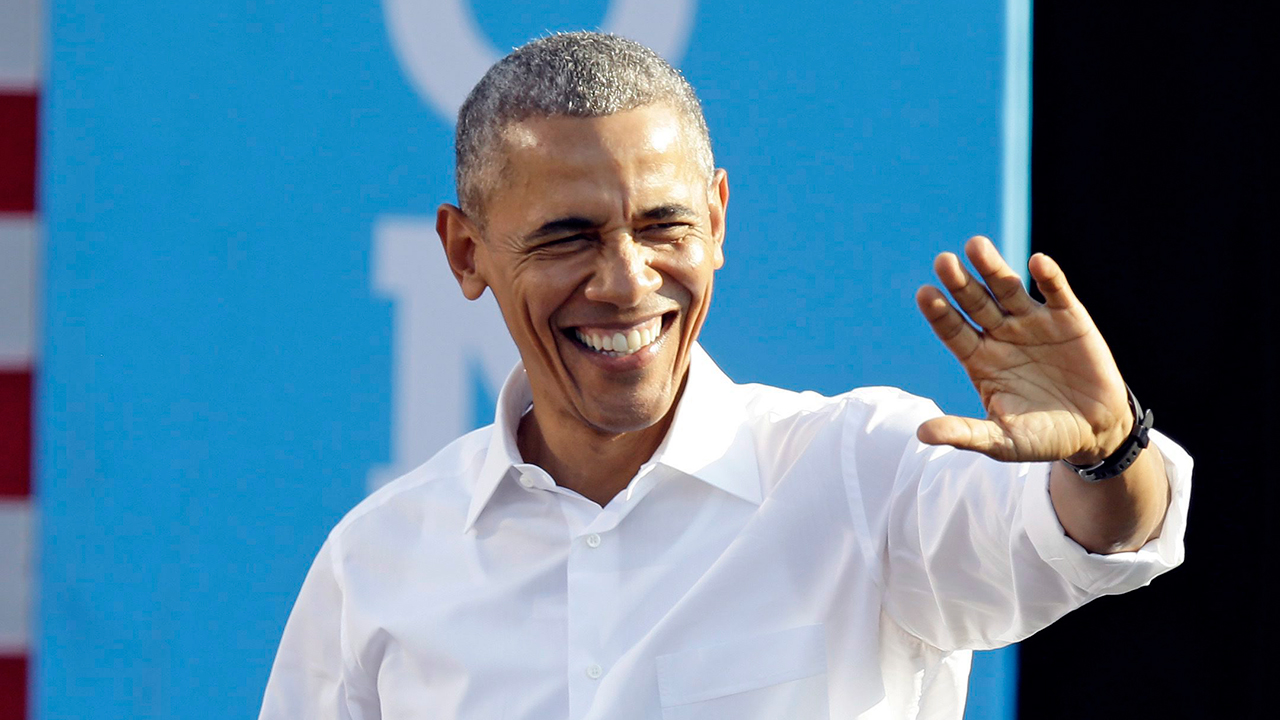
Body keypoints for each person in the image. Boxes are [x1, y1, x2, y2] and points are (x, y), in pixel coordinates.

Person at [260, 32, 1190, 719]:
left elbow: (1093, 541)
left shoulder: (863, 471)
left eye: (664, 227)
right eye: (567, 236)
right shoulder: (379, 560)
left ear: (718, 219)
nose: (626, 282)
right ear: (467, 254)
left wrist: (1110, 451)